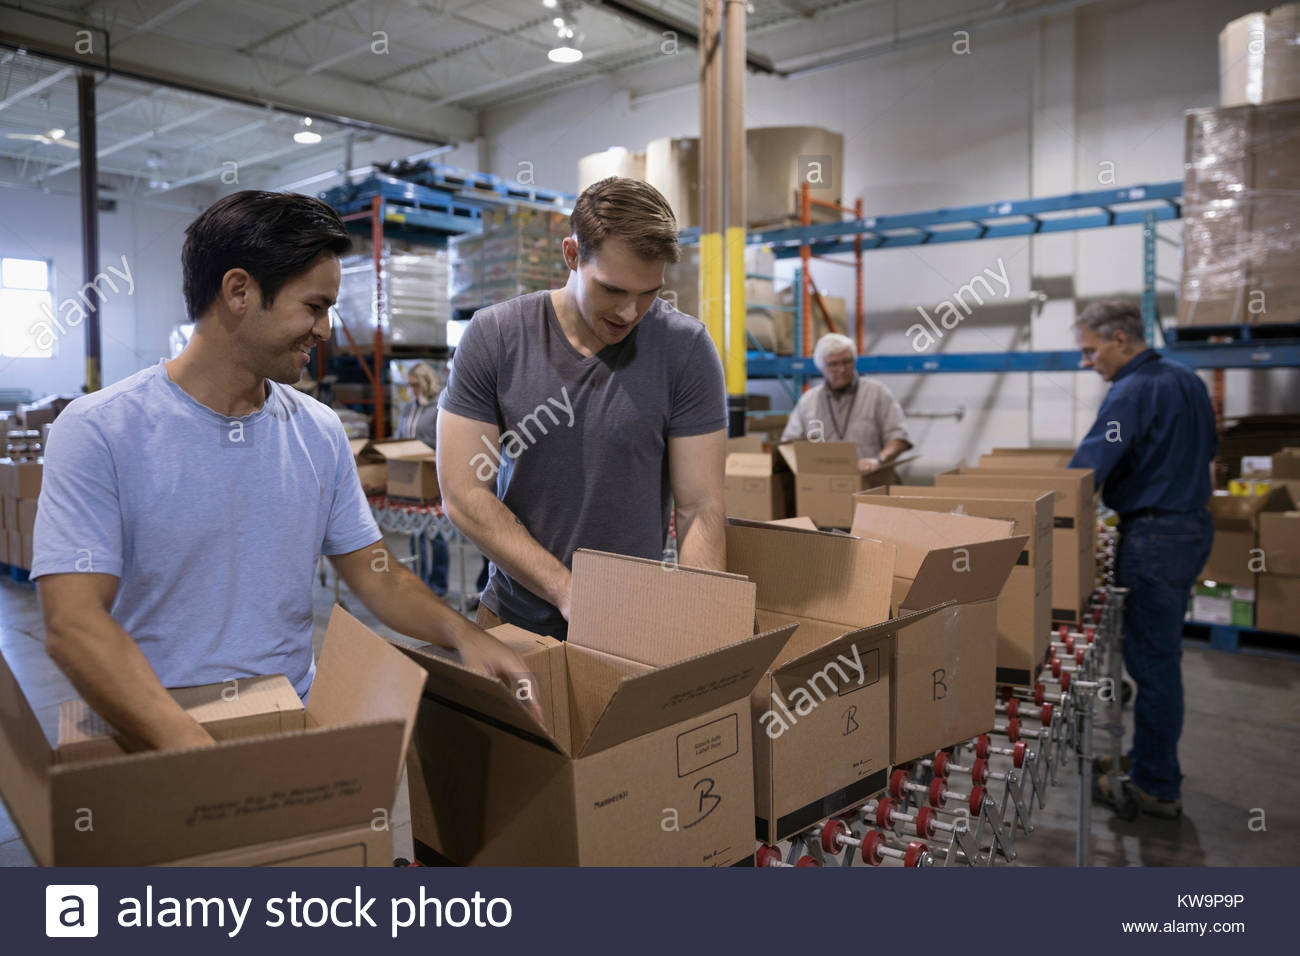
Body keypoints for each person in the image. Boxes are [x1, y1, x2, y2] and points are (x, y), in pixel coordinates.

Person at [32, 190, 538, 753]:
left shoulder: (318, 432)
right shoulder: (101, 430)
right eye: (314, 306)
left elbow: (376, 573)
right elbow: (73, 623)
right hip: (152, 730)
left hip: (288, 722)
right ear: (240, 291)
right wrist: (189, 747)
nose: (324, 331)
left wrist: (462, 634)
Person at [436, 177, 727, 640]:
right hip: (515, 624)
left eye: (648, 293)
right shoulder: (495, 336)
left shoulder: (684, 349)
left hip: (632, 626)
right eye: (612, 290)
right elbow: (464, 494)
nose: (630, 313)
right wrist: (568, 592)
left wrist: (704, 622)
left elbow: (699, 506)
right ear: (571, 255)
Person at [1069, 299, 1216, 819]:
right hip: (1192, 527)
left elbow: (1088, 468)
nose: (1089, 362)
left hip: (1154, 536)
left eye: (1091, 350)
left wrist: (1046, 526)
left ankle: (1156, 785)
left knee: (1152, 664)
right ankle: (1151, 758)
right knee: (1160, 657)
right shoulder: (1188, 381)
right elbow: (1208, 447)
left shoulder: (1130, 391)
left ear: (1120, 341)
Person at [781, 332, 912, 472]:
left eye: (847, 361)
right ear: (821, 367)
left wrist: (879, 459)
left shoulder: (877, 393)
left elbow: (899, 438)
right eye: (833, 364)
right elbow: (788, 444)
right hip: (823, 487)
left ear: (855, 361)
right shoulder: (808, 401)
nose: (842, 369)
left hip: (870, 482)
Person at [395, 362, 450, 596]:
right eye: (410, 385)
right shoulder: (408, 409)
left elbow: (445, 442)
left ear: (425, 381)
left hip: (433, 477)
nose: (412, 389)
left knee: (437, 534)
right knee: (415, 531)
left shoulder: (439, 407)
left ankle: (438, 585)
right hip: (409, 477)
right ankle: (420, 583)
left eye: (416, 385)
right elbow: (400, 437)